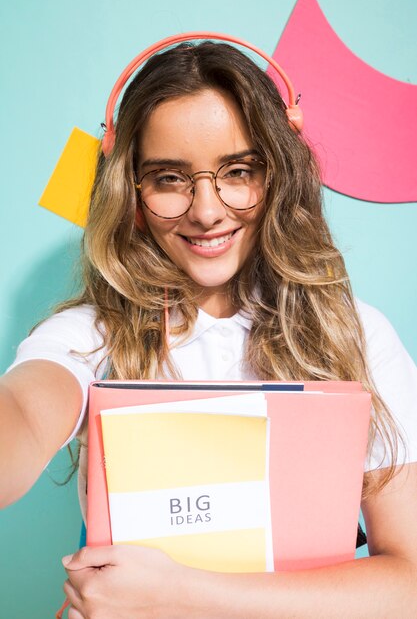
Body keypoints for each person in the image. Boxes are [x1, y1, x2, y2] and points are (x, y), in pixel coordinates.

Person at [2, 37, 417, 618]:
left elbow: (409, 586)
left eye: (238, 171)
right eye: (170, 178)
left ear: (278, 175)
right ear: (133, 191)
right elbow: (23, 411)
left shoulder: (357, 336)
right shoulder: (91, 333)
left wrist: (179, 594)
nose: (206, 209)